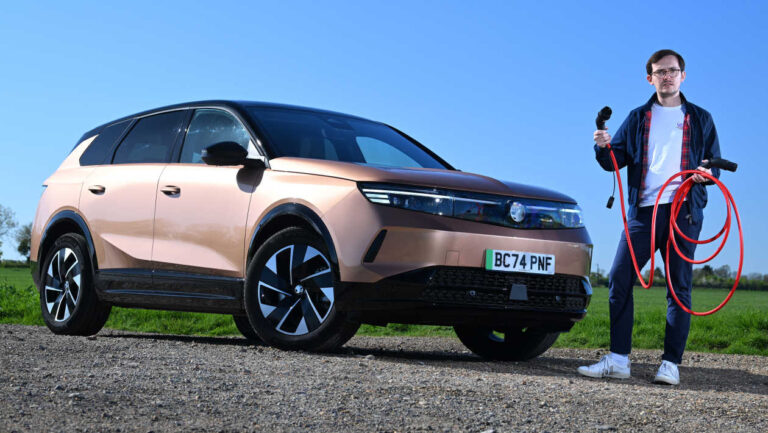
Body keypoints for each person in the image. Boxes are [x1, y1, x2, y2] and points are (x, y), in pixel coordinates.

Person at [577, 49, 721, 385]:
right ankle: (618, 359)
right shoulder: (638, 117)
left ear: (682, 76)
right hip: (644, 212)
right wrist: (603, 146)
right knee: (619, 278)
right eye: (660, 72)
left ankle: (670, 364)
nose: (667, 76)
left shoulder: (701, 118)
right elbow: (613, 162)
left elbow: (714, 164)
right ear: (650, 78)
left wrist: (706, 174)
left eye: (672, 71)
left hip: (683, 212)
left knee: (678, 286)